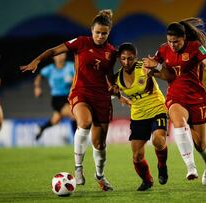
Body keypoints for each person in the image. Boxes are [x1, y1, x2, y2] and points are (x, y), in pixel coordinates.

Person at [20, 9, 117, 191]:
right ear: (91, 30)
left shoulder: (111, 52)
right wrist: (37, 61)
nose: (100, 36)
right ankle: (78, 169)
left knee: (100, 144)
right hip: (80, 93)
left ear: (109, 33)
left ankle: (100, 176)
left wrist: (116, 90)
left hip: (102, 98)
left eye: (104, 33)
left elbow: (109, 77)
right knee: (85, 122)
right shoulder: (81, 42)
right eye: (97, 32)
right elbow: (54, 50)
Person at [143, 17, 206, 186]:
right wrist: (149, 68)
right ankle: (191, 167)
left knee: (200, 144)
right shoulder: (163, 50)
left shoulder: (195, 47)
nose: (172, 45)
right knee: (178, 122)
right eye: (169, 41)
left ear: (183, 38)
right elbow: (156, 68)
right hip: (176, 96)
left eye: (176, 42)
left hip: (197, 98)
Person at [114, 43, 168, 191]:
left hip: (157, 108)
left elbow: (166, 75)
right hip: (138, 116)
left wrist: (156, 67)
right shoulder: (117, 77)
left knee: (158, 140)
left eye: (130, 59)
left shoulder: (144, 67)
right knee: (137, 156)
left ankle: (162, 166)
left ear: (135, 58)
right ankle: (147, 180)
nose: (126, 62)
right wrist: (120, 97)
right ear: (119, 58)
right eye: (123, 58)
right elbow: (112, 90)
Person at [33, 53, 76, 140]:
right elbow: (39, 76)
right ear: (54, 57)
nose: (60, 56)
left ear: (65, 56)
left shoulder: (70, 66)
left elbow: (80, 75)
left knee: (55, 120)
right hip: (57, 99)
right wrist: (37, 88)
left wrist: (74, 79)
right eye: (58, 55)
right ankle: (77, 140)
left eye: (62, 54)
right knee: (74, 116)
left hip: (69, 97)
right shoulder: (50, 69)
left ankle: (41, 128)